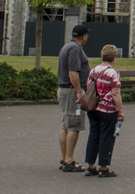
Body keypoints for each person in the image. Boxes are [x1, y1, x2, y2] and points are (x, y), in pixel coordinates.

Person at [83, 44, 124, 177]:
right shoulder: (113, 72)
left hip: (93, 108)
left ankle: (90, 166)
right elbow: (115, 93)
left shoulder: (93, 70)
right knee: (106, 137)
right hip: (107, 109)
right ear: (114, 57)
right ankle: (104, 167)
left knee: (93, 135)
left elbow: (88, 87)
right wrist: (120, 110)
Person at [57, 24, 90, 172]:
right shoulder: (75, 49)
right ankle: (69, 160)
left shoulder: (66, 46)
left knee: (66, 124)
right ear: (83, 36)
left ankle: (64, 159)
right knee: (74, 125)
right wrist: (78, 91)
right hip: (71, 91)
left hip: (65, 89)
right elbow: (73, 72)